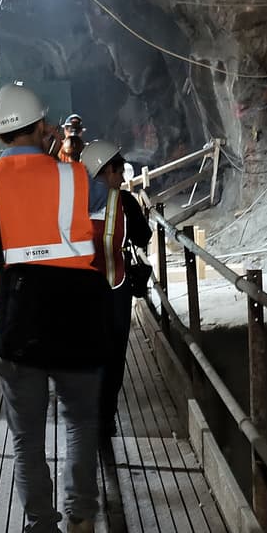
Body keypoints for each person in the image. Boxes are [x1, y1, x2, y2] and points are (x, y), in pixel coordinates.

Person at [0, 84, 112, 533]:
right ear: (43, 127)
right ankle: (82, 526)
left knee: (26, 441)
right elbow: (107, 215)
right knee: (81, 425)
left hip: (14, 330)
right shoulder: (76, 178)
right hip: (76, 323)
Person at [81, 140, 153, 438]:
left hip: (79, 293)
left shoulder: (68, 201)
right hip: (115, 289)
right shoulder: (124, 203)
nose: (122, 178)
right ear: (107, 170)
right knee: (113, 356)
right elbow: (142, 236)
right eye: (119, 171)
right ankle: (105, 417)